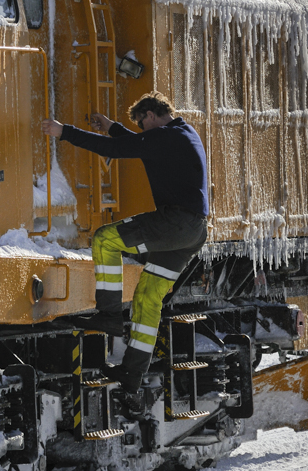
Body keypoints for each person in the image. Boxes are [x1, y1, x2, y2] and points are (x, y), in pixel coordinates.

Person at [41, 92, 209, 393]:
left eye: (142, 124)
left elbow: (118, 150)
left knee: (105, 239)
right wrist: (112, 127)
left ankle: (109, 315)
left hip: (175, 223)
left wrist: (64, 132)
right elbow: (139, 144)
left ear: (150, 116)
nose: (142, 130)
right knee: (147, 298)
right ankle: (132, 374)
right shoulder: (183, 133)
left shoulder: (166, 137)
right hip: (193, 232)